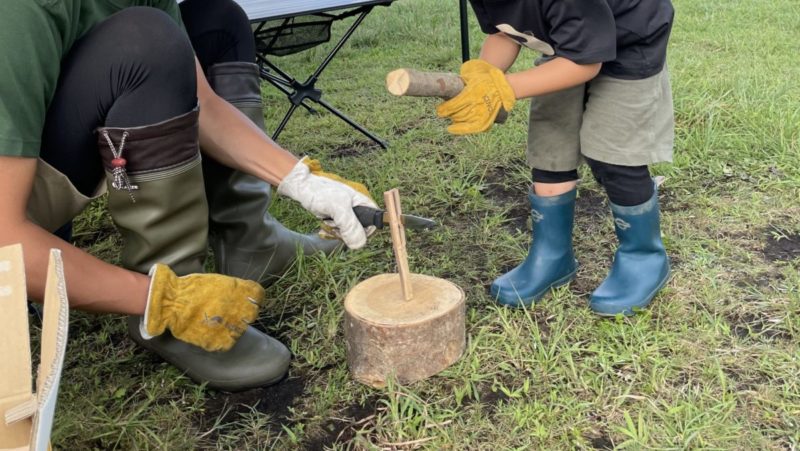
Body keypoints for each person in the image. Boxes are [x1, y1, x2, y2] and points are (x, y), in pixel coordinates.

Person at [0, 0, 377, 392]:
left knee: (217, 21)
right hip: (14, 202)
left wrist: (302, 180)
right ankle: (172, 307)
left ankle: (252, 244)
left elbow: (207, 108)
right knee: (145, 39)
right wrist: (164, 299)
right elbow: (4, 240)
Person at [437, 0, 674, 315]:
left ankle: (643, 257)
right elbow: (505, 32)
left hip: (631, 41)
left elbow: (586, 64)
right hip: (568, 47)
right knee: (550, 144)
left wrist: (502, 88)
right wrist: (484, 77)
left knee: (614, 155)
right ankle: (552, 257)